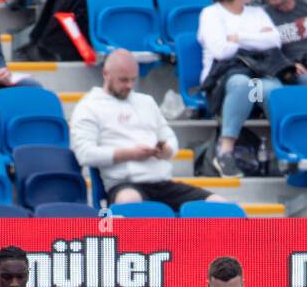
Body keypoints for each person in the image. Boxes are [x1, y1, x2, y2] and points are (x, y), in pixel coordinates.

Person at [71, 50, 226, 209]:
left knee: (218, 204)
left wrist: (164, 150)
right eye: (123, 80)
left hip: (162, 183)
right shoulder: (89, 106)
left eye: (133, 79)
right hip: (124, 183)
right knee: (130, 200)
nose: (130, 85)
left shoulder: (146, 102)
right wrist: (129, 154)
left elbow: (170, 139)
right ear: (106, 74)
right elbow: (84, 154)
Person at [197, 0, 285, 177]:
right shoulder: (211, 13)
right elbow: (221, 51)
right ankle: (225, 152)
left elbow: (275, 41)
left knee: (273, 90)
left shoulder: (257, 13)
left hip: (257, 80)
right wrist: (257, 39)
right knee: (242, 84)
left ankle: (282, 152)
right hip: (222, 79)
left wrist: (237, 37)